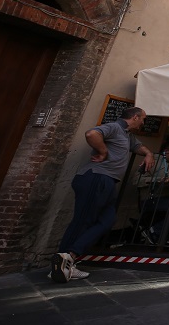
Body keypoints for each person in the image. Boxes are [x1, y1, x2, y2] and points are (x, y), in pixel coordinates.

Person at [51, 106, 155, 283]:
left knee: (107, 221)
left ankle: (70, 258)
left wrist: (149, 154)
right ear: (135, 117)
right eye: (143, 119)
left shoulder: (127, 135)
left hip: (107, 181)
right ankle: (61, 266)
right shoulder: (115, 127)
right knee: (83, 221)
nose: (144, 122)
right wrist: (103, 151)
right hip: (96, 178)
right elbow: (91, 134)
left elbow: (138, 147)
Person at [135, 140, 169, 244]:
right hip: (150, 200)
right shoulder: (153, 161)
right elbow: (136, 180)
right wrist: (157, 180)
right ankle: (154, 231)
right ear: (166, 151)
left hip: (164, 199)